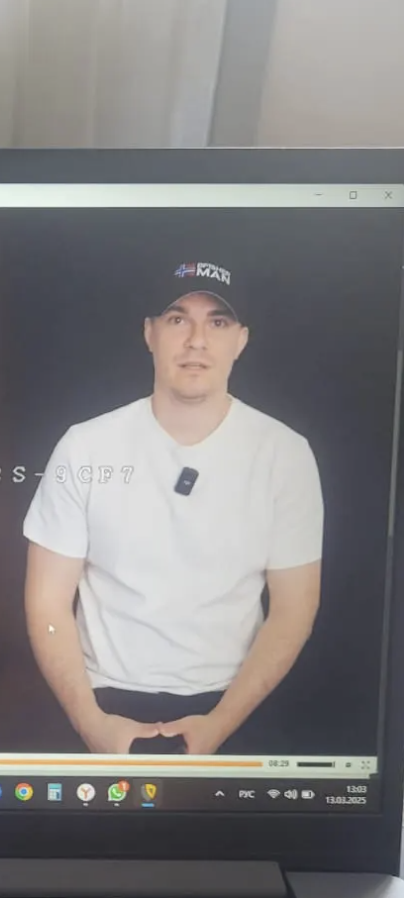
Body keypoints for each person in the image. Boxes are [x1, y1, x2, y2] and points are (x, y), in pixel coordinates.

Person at [23, 259, 323, 756]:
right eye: (178, 319)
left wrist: (221, 724)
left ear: (241, 340)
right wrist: (91, 723)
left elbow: (294, 610)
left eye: (218, 322)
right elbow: (47, 601)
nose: (197, 340)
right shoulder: (86, 447)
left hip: (236, 704)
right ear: (150, 333)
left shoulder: (284, 454)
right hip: (102, 701)